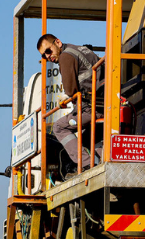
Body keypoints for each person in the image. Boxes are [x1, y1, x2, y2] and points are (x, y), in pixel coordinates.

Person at [37, 34, 104, 174]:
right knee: (87, 138)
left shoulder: (66, 57)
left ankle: (86, 165)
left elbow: (70, 90)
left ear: (58, 42)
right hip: (103, 103)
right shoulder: (80, 49)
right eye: (44, 56)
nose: (48, 57)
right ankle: (102, 161)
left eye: (48, 51)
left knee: (59, 127)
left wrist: (65, 99)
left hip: (91, 107)